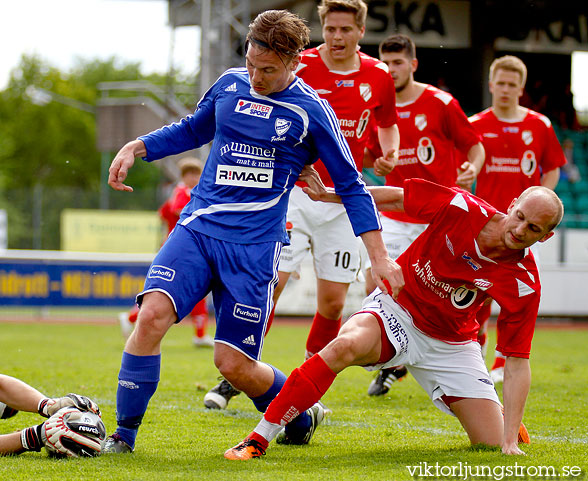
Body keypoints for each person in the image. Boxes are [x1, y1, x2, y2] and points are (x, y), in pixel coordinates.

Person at [103, 9, 403, 454]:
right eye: (250, 64)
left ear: (295, 63)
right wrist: (138, 146)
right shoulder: (229, 84)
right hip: (198, 228)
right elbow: (193, 128)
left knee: (234, 365)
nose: (256, 76)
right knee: (150, 318)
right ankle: (123, 437)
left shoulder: (311, 112)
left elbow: (353, 188)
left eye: (268, 70)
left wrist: (378, 257)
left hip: (254, 247)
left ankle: (299, 412)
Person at [224, 177, 563, 460]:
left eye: (533, 228)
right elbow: (396, 198)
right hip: (397, 310)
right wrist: (329, 195)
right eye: (519, 216)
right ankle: (258, 439)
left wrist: (508, 441)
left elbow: (517, 362)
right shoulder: (463, 208)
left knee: (489, 443)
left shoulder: (524, 283)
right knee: (345, 346)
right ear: (513, 202)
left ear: (545, 236)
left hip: (452, 344)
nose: (520, 229)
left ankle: (496, 418)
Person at [204, 0, 401, 411]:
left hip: (343, 200)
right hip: (294, 194)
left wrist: (389, 153)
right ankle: (240, 371)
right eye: (330, 28)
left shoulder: (378, 76)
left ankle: (308, 385)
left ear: (360, 32)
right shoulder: (298, 64)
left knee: (331, 303)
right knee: (272, 284)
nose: (337, 37)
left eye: (346, 29)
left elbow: (386, 124)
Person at [363, 34, 485, 396]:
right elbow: (369, 155)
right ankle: (394, 360)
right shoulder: (377, 108)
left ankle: (463, 371)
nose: (391, 69)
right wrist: (378, 162)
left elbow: (474, 145)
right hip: (397, 215)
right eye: (385, 63)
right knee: (375, 285)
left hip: (439, 220)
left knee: (445, 299)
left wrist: (472, 168)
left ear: (413, 65)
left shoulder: (440, 102)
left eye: (398, 62)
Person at [469, 55, 566, 383]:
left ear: (521, 88)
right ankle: (474, 355)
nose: (506, 89)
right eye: (501, 83)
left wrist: (541, 206)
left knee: (516, 298)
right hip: (486, 227)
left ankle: (502, 363)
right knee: (476, 295)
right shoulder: (475, 125)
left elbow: (552, 168)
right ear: (491, 84)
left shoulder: (539, 125)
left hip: (525, 231)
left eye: (513, 84)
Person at [119, 157, 213, 348]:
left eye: (198, 174)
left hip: (185, 248)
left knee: (194, 290)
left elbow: (163, 213)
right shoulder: (183, 192)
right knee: (170, 292)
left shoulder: (185, 192)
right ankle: (131, 317)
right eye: (193, 174)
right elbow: (178, 209)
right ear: (185, 176)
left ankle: (200, 334)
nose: (197, 178)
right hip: (182, 249)